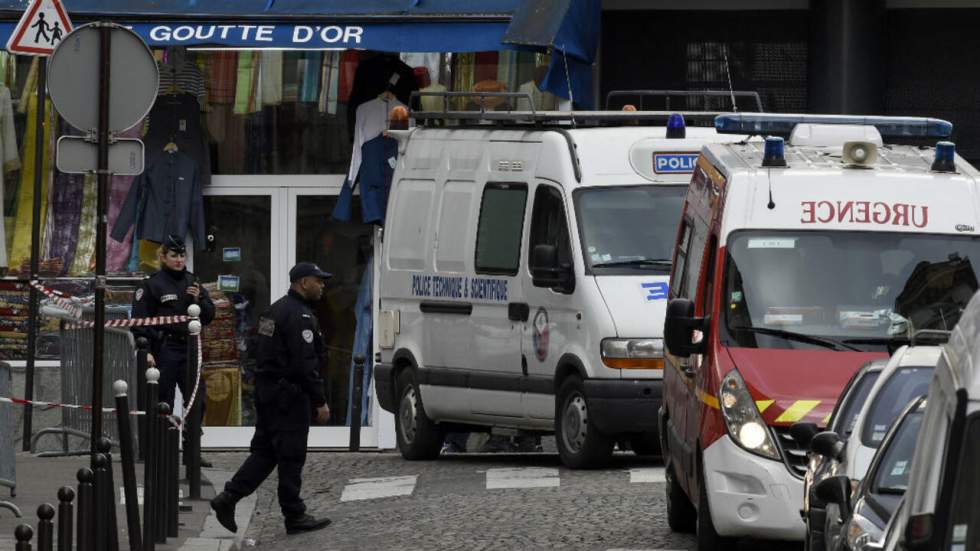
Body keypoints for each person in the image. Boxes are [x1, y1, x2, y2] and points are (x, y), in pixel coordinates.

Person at [210, 262, 333, 535]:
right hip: (289, 397)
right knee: (290, 456)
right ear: (302, 283)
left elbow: (257, 348)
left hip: (268, 392)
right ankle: (294, 514)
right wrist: (319, 400)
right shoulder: (299, 316)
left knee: (265, 453)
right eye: (318, 280)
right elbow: (305, 365)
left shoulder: (274, 310)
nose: (323, 285)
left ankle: (228, 498)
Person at [132, 235, 215, 465]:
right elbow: (139, 321)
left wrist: (198, 300)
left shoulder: (192, 281)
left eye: (181, 255)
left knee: (196, 401)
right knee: (163, 400)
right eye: (173, 255)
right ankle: (161, 450)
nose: (179, 259)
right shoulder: (152, 284)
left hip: (189, 347)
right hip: (164, 347)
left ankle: (192, 453)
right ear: (162, 257)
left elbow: (209, 315)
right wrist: (145, 349)